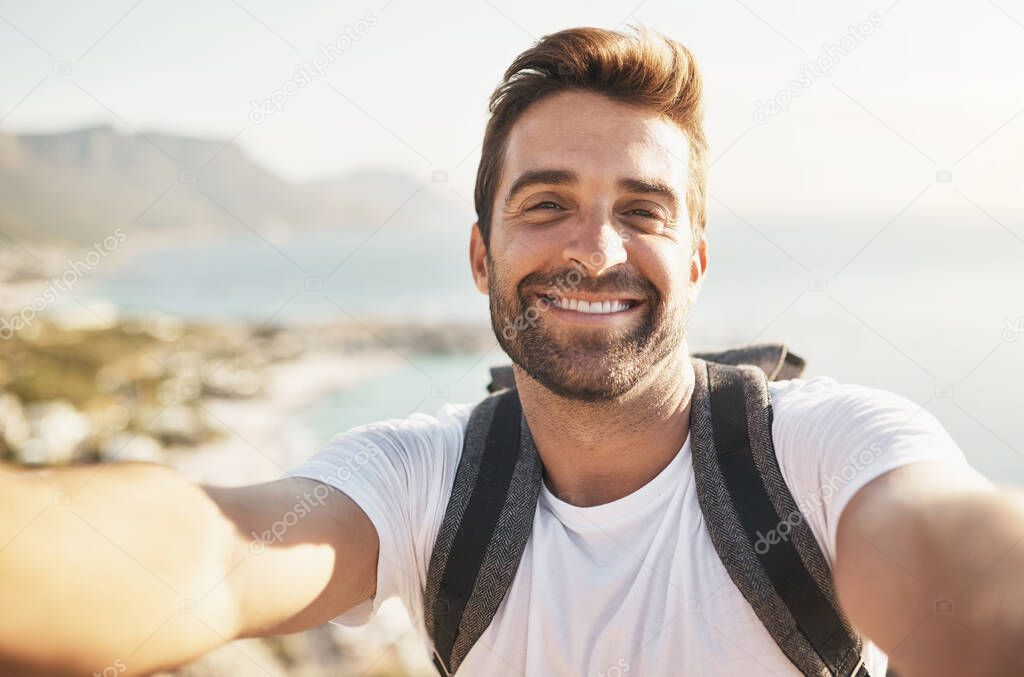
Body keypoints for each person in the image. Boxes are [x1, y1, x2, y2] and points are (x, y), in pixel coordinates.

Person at [2, 25, 1023, 677]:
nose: (595, 246)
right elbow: (216, 552)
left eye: (642, 209)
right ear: (481, 255)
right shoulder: (430, 478)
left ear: (698, 261)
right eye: (547, 205)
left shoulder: (820, 448)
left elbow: (951, 553)